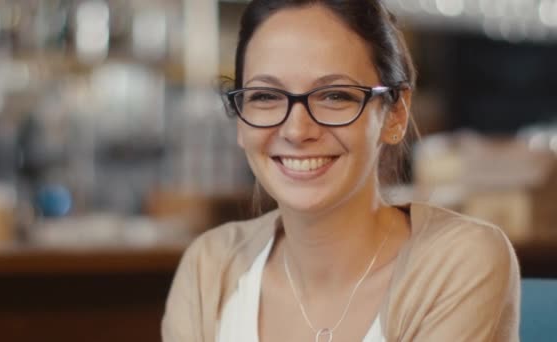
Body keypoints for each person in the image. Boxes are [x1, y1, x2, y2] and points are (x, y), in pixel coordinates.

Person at [162, 1, 520, 341]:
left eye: (334, 96)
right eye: (265, 97)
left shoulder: (458, 260)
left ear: (395, 114)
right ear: (241, 121)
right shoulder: (208, 267)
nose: (297, 130)